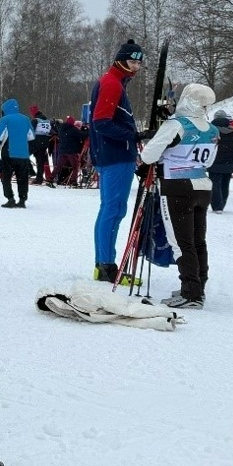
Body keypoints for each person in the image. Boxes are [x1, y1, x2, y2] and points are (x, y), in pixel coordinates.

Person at [139, 84, 220, 308]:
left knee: (181, 242)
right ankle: (197, 286)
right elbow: (210, 161)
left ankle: (190, 293)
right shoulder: (212, 129)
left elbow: (148, 155)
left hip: (177, 186)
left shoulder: (176, 125)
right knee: (197, 240)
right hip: (202, 186)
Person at [90, 39, 145, 283]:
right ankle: (107, 267)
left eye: (139, 63)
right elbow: (101, 122)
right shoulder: (112, 84)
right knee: (113, 210)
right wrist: (134, 135)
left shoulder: (113, 82)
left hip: (113, 154)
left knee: (109, 210)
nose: (136, 68)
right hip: (116, 155)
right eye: (132, 62)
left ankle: (102, 264)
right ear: (120, 60)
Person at [0, 99, 34, 208]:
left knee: (6, 177)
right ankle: (22, 199)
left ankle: (10, 198)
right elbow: (31, 136)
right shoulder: (26, 119)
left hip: (9, 152)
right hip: (23, 154)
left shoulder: (5, 119)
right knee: (22, 178)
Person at [207, 110, 233, 213]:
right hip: (229, 161)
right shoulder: (232, 130)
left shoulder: (210, 129)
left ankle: (217, 206)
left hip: (214, 161)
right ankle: (222, 203)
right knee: (225, 184)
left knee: (215, 183)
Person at [54, 116, 86, 185]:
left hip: (62, 150)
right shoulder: (73, 129)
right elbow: (82, 135)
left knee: (59, 166)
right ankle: (73, 181)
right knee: (75, 166)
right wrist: (88, 131)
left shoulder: (61, 129)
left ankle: (50, 178)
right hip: (71, 151)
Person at [29, 104, 54, 185]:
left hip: (35, 142)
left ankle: (28, 172)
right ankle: (39, 178)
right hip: (44, 143)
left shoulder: (35, 120)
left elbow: (30, 131)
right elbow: (51, 132)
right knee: (40, 161)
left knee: (23, 156)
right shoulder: (47, 120)